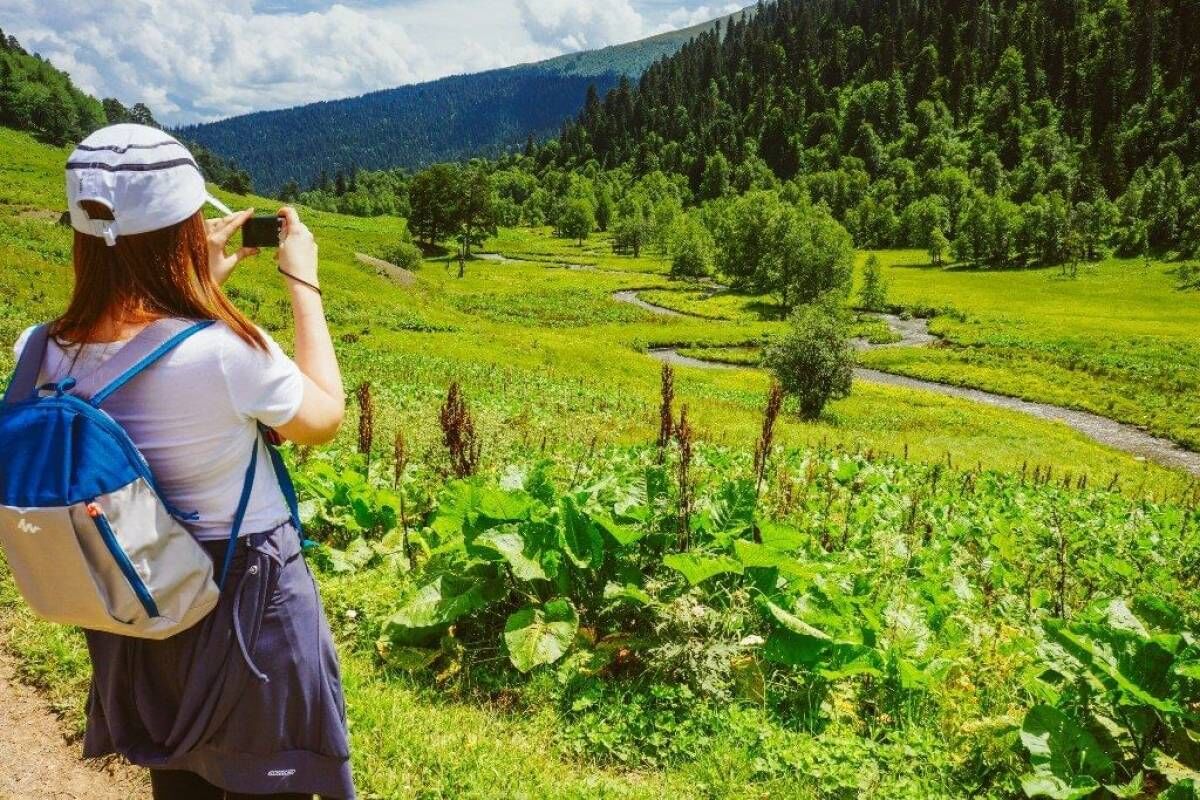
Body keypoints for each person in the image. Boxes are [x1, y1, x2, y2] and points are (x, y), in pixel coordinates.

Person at [12, 124, 354, 799]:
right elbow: (324, 421)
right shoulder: (227, 352)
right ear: (184, 233)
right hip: (245, 605)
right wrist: (301, 283)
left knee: (179, 784)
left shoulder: (36, 350)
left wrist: (186, 286)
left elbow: (135, 346)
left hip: (139, 601)